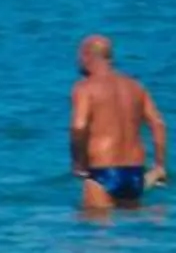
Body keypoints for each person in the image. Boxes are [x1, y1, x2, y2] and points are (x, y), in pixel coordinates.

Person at [68, 34, 167, 207]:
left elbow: (79, 126)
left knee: (92, 230)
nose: (78, 61)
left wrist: (78, 163)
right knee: (130, 231)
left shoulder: (85, 87)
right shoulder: (136, 86)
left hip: (102, 171)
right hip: (135, 174)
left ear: (87, 56)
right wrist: (159, 165)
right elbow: (158, 124)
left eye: (79, 56)